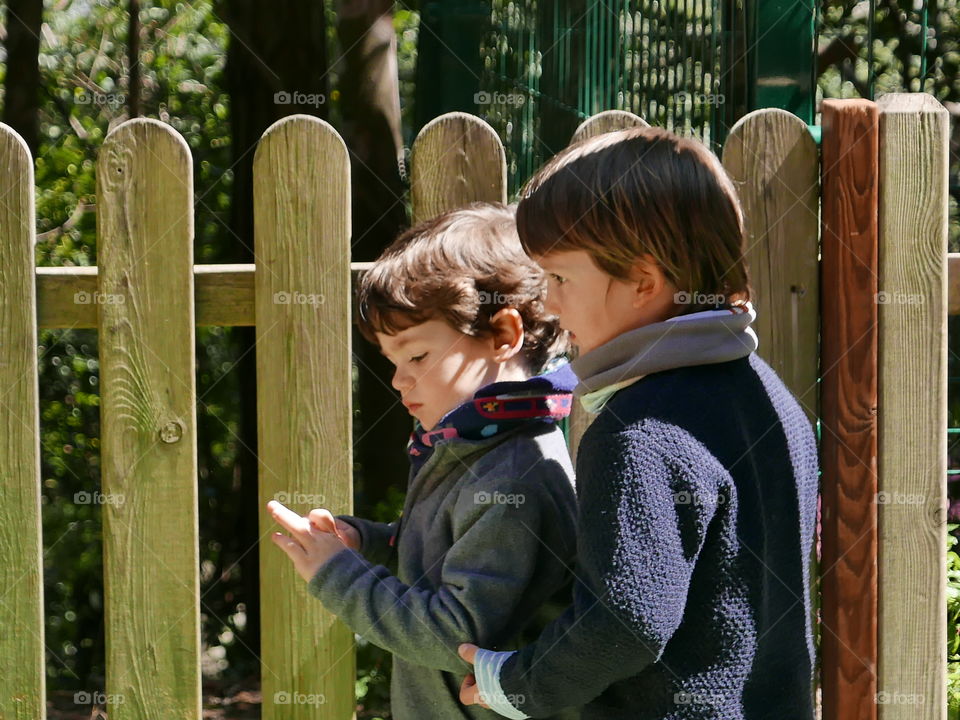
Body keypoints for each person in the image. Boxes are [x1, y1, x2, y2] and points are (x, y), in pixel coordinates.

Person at [458, 127, 819, 720]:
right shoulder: (773, 400)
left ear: (644, 283)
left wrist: (517, 682)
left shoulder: (638, 432)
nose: (547, 303)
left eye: (560, 278)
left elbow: (626, 617)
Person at [268, 202, 581, 720]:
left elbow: (456, 636)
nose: (398, 380)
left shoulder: (516, 474)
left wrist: (338, 574)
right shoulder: (472, 444)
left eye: (415, 357)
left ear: (504, 336)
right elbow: (443, 558)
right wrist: (367, 542)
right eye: (392, 362)